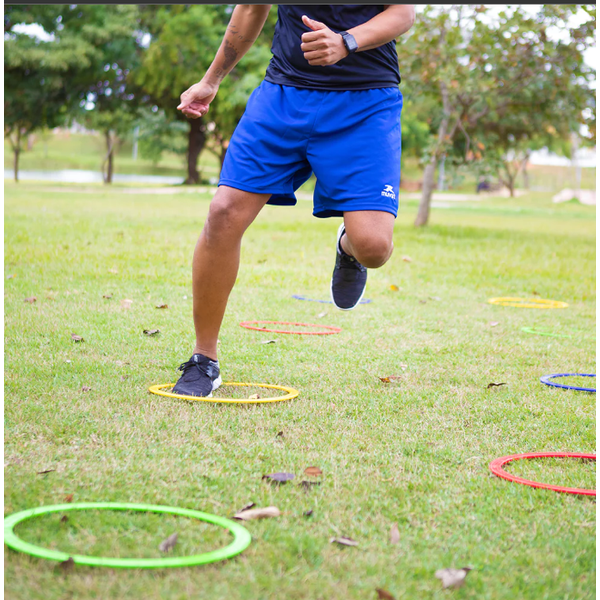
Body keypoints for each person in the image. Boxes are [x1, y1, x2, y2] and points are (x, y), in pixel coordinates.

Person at [174, 4, 416, 397]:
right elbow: (252, 8)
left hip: (365, 103)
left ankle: (348, 246)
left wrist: (346, 42)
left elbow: (404, 13)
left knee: (373, 247)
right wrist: (211, 80)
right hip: (283, 95)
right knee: (223, 213)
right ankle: (204, 360)